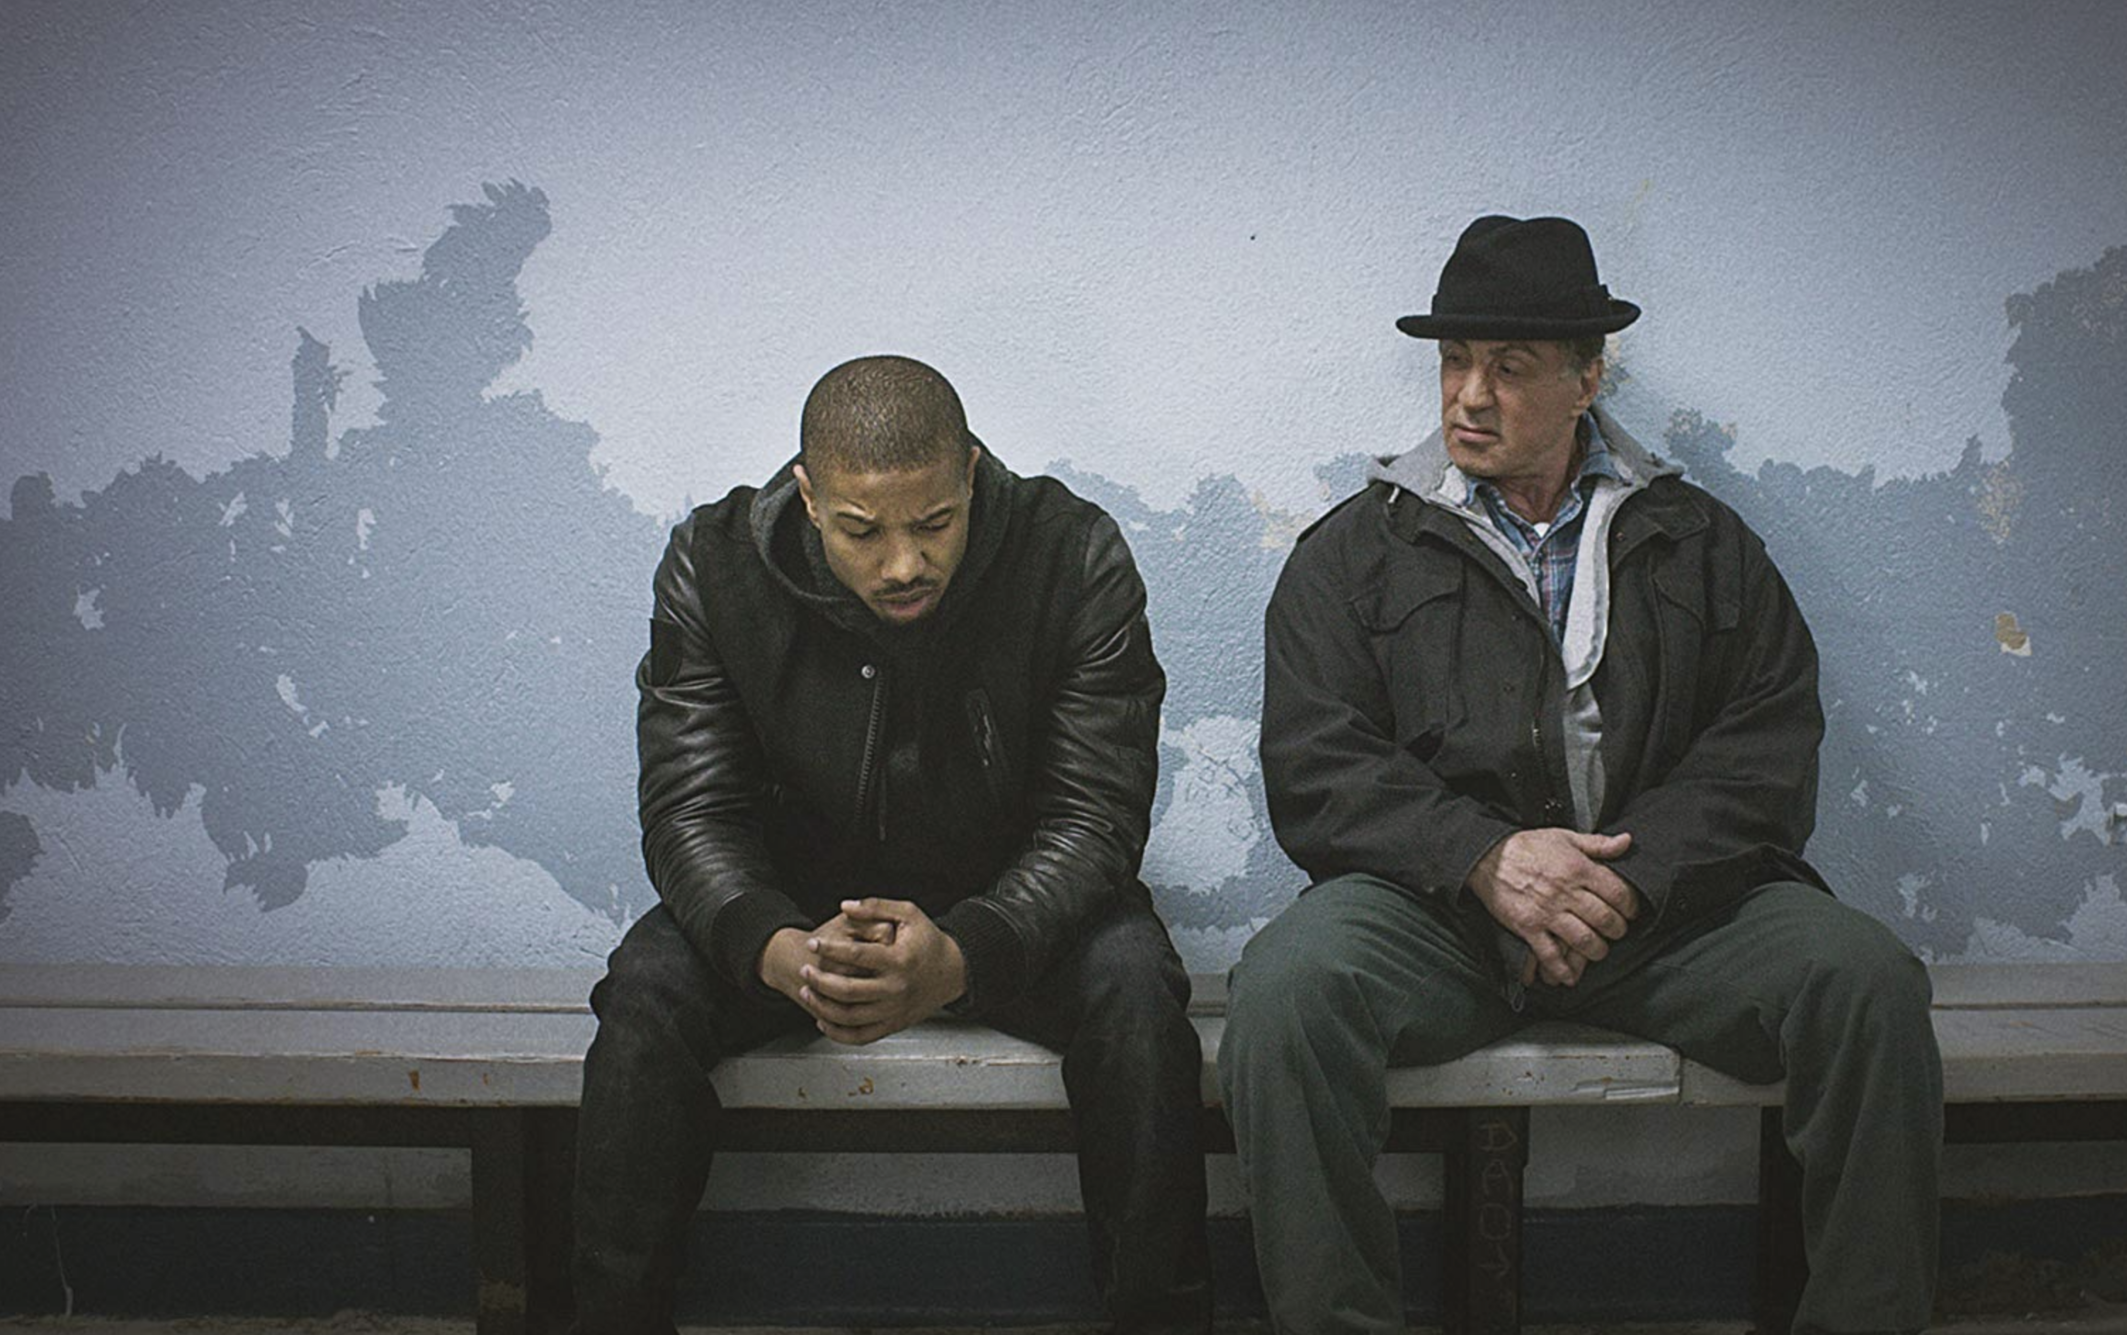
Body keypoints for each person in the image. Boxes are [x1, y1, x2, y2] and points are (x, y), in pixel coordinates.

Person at [1220, 217, 1943, 1334]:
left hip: (1666, 920)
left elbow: (1765, 745)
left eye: (1509, 367)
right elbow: (1317, 763)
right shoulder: (1356, 552)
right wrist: (1484, 858)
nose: (1469, 396)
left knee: (1867, 982)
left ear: (1587, 377)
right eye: (1455, 361)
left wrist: (1624, 881)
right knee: (1284, 994)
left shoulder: (1701, 542)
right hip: (1440, 921)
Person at [573, 355, 1210, 1333]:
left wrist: (961, 956)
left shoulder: (1072, 553)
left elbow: (1095, 816)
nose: (903, 563)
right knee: (647, 987)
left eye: (935, 522)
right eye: (863, 531)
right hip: (794, 911)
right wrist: (780, 950)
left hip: (1014, 908)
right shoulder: (713, 563)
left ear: (971, 473)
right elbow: (690, 808)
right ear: (808, 498)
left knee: (1136, 987)